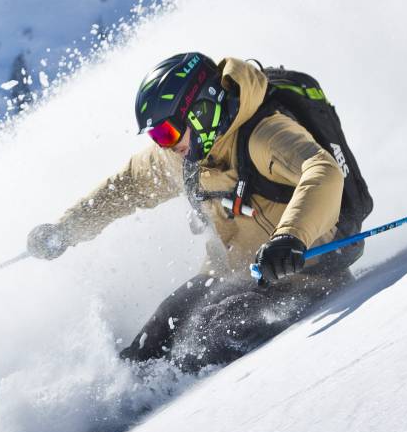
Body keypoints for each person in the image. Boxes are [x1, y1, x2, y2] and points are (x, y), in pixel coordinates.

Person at [26, 52, 369, 372]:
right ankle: (131, 400)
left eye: (167, 131)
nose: (165, 144)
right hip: (231, 273)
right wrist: (65, 230)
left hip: (302, 272)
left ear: (202, 110)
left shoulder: (264, 135)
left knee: (212, 334)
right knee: (156, 336)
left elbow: (322, 171)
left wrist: (290, 238)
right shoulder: (185, 155)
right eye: (157, 136)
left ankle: (204, 406)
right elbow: (126, 186)